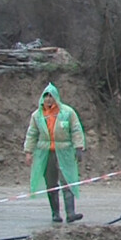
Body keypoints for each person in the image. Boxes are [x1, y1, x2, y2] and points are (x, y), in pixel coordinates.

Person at [24, 83, 86, 223]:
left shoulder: (67, 112)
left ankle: (71, 213)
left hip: (65, 151)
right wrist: (28, 152)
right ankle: (55, 214)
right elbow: (32, 134)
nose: (49, 99)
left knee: (67, 181)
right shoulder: (37, 115)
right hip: (46, 153)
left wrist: (78, 148)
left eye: (51, 96)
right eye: (46, 96)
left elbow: (76, 130)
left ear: (56, 97)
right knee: (51, 184)